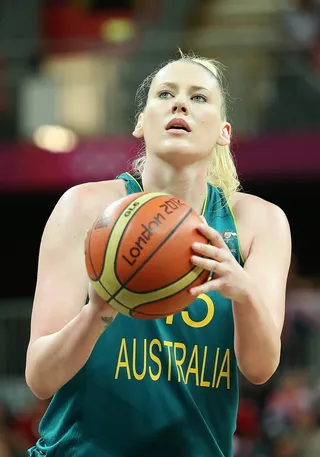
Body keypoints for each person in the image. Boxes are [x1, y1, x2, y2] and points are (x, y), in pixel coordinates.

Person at [25, 51, 291, 457]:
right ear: (140, 123)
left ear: (224, 132)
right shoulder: (83, 208)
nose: (180, 103)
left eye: (199, 97)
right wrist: (95, 312)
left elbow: (259, 368)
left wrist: (244, 291)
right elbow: (40, 378)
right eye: (165, 94)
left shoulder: (260, 223)